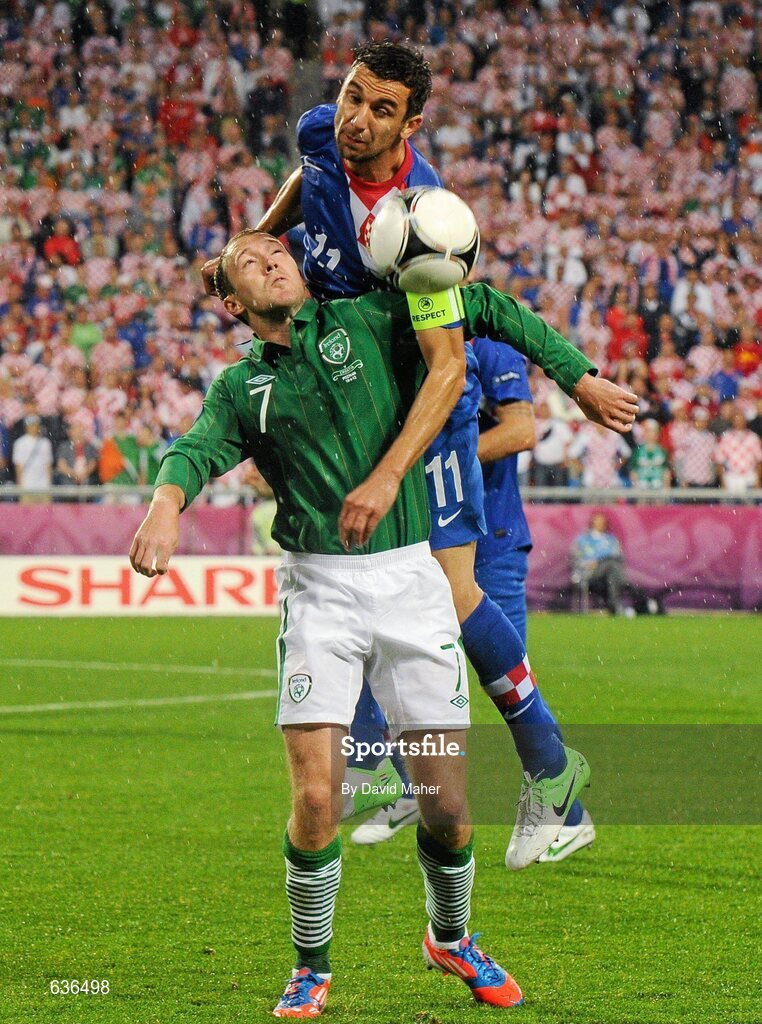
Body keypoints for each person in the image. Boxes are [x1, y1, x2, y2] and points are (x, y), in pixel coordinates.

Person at [133, 230, 636, 1017]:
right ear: (233, 304)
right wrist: (165, 509)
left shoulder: (373, 317)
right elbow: (193, 451)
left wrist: (578, 376)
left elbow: (488, 306)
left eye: (278, 251)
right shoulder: (241, 388)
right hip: (319, 594)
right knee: (315, 799)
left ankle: (451, 936)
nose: (273, 260)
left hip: (412, 580)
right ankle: (311, 967)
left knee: (447, 806)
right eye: (250, 264)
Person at [201, 42, 637, 870]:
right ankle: (480, 777)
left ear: (414, 123)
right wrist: (257, 236)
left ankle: (553, 779)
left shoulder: (421, 219)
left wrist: (392, 470)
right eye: (352, 97)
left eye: (381, 110)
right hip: (362, 399)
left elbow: (446, 365)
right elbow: (310, 171)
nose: (357, 121)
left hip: (423, 415)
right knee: (404, 597)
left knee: (451, 589)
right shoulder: (322, 131)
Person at [352, 341, 596, 864]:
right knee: (395, 659)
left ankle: (570, 815)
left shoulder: (490, 351)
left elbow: (522, 431)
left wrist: (433, 446)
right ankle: (403, 785)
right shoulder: (398, 340)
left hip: (495, 539)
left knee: (502, 677)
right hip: (431, 534)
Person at [571, 512, 659, 616]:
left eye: (602, 522)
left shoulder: (611, 540)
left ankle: (616, 606)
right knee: (613, 567)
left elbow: (619, 556)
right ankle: (629, 592)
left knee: (612, 568)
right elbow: (574, 559)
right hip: (589, 572)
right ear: (592, 523)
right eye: (597, 521)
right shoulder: (583, 539)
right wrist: (586, 563)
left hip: (609, 572)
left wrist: (602, 561)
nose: (600, 524)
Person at [12, 414, 54, 503]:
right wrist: (20, 482)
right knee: (26, 512)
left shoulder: (46, 443)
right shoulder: (20, 443)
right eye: (31, 425)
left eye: (35, 425)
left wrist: (49, 483)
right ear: (26, 427)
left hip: (43, 484)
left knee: (44, 513)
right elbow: (18, 465)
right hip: (27, 483)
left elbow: (48, 464)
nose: (33, 427)